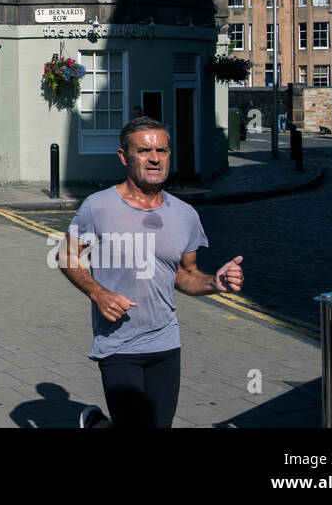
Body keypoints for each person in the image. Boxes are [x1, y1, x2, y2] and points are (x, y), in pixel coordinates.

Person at [59, 116, 245, 429]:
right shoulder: (97, 206)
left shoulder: (185, 215)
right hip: (118, 343)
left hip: (165, 341)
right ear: (124, 157)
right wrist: (98, 293)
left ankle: (97, 425)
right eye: (144, 151)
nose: (155, 158)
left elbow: (185, 275)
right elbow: (66, 254)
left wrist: (215, 281)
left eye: (162, 150)